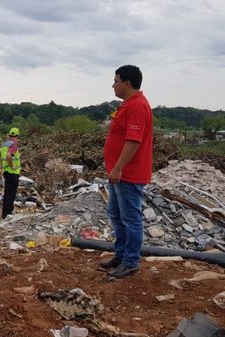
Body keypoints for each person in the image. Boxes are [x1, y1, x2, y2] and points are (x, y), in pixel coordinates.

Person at [100, 65, 153, 279]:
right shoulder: (128, 105)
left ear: (127, 83)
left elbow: (133, 141)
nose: (113, 85)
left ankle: (131, 262)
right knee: (116, 214)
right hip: (119, 174)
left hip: (127, 175)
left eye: (116, 80)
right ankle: (121, 255)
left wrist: (118, 167)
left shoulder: (137, 106)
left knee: (131, 219)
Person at [0, 127, 21, 219]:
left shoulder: (5, 144)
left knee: (7, 193)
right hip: (12, 172)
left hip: (6, 171)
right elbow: (9, 155)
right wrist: (12, 165)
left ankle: (5, 213)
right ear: (17, 135)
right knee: (11, 193)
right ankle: (8, 213)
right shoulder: (13, 144)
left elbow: (4, 155)